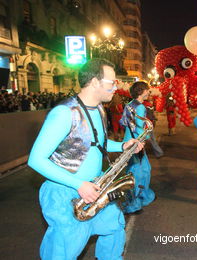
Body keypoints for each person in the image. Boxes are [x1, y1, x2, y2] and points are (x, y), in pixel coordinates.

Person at [28, 58, 144, 260]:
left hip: (95, 188)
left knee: (114, 228)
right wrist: (78, 184)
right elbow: (36, 159)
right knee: (63, 250)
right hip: (65, 194)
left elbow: (96, 143)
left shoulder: (99, 109)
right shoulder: (64, 113)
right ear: (94, 82)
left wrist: (123, 146)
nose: (116, 87)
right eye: (111, 82)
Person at [120, 81, 156, 214]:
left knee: (143, 170)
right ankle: (132, 205)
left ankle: (143, 196)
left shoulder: (129, 105)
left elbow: (125, 124)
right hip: (136, 144)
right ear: (141, 91)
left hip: (129, 142)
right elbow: (140, 127)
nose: (148, 92)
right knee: (138, 173)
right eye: (147, 90)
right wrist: (145, 138)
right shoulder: (140, 107)